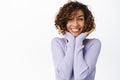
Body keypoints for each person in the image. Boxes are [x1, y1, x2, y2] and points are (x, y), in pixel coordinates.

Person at [51, 1, 101, 80]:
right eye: (70, 19)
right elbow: (64, 77)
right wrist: (71, 40)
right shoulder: (57, 42)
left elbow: (80, 76)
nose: (75, 24)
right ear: (64, 21)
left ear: (86, 21)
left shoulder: (94, 44)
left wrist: (79, 41)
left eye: (80, 19)